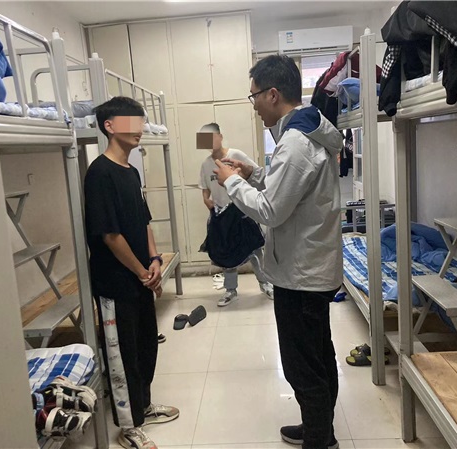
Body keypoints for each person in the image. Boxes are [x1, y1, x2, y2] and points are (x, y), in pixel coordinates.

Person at [214, 56, 343, 449]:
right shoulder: (304, 132)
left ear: (272, 94)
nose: (253, 104)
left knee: (304, 367)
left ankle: (319, 440)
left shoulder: (296, 142)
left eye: (253, 95)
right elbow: (288, 190)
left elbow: (270, 210)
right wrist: (252, 174)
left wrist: (231, 183)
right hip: (309, 267)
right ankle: (320, 429)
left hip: (301, 275)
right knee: (317, 356)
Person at [84, 96, 179, 449]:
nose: (139, 128)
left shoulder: (131, 171)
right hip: (116, 282)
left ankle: (143, 406)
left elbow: (145, 221)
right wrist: (141, 272)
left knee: (145, 346)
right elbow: (110, 236)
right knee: (121, 354)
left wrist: (154, 260)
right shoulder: (99, 173)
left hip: (140, 276)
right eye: (132, 121)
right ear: (110, 126)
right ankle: (128, 426)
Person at [198, 122, 274, 307]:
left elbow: (256, 175)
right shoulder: (206, 164)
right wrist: (206, 200)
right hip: (221, 214)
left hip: (241, 211)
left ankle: (266, 284)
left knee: (254, 250)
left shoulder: (236, 155)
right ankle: (230, 290)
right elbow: (205, 188)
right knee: (227, 253)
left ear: (220, 136)